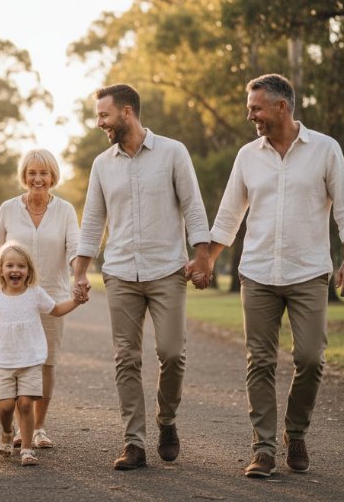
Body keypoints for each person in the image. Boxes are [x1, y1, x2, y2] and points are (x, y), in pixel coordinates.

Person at [196, 73, 344, 478]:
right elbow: (229, 214)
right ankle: (264, 448)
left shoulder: (325, 149)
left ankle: (296, 432)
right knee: (260, 361)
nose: (250, 116)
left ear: (281, 106)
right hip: (257, 273)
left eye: (256, 108)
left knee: (311, 358)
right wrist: (207, 259)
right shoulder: (247, 156)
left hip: (308, 271)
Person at [72, 83, 212, 471]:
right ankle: (133, 442)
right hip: (120, 273)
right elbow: (93, 221)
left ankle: (167, 420)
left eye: (104, 115)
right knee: (126, 358)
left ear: (127, 112)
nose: (99, 123)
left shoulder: (173, 152)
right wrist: (80, 271)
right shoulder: (102, 165)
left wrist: (203, 257)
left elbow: (193, 206)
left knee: (172, 353)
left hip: (167, 270)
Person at [0, 148, 80, 449]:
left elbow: (75, 250)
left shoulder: (65, 211)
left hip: (51, 296)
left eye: (43, 173)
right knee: (15, 362)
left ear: (52, 176)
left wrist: (81, 277)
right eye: (32, 173)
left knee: (45, 363)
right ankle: (17, 426)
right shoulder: (8, 209)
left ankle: (37, 428)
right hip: (12, 298)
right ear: (24, 176)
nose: (38, 179)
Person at [0, 243, 87, 466]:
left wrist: (76, 301)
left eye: (21, 266)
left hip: (31, 360)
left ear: (28, 271)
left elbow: (56, 310)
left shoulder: (35, 294)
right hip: (4, 362)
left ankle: (27, 449)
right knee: (6, 407)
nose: (15, 270)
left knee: (26, 404)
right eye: (10, 266)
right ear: (1, 270)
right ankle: (7, 432)